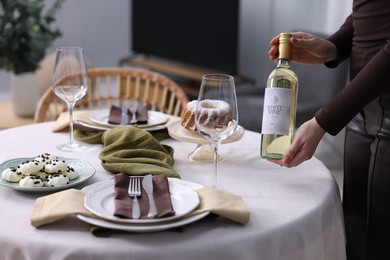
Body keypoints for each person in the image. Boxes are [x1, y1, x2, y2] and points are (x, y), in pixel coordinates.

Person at [267, 1, 390, 260]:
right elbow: (368, 10)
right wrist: (332, 47)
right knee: (356, 235)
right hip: (361, 109)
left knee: (380, 242)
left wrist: (323, 120)